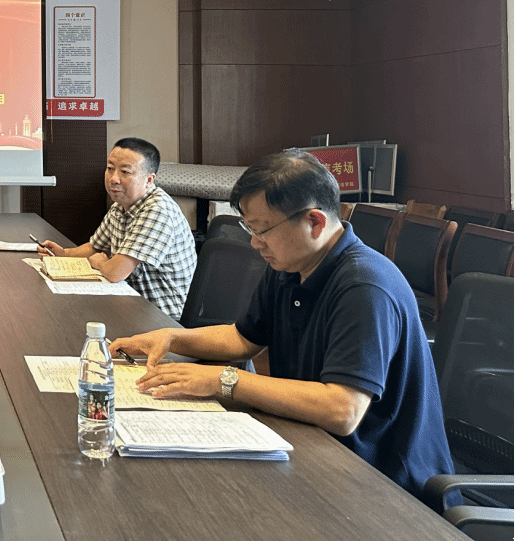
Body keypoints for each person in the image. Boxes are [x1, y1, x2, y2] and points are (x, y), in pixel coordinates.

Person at [112, 149, 452, 504]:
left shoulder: (365, 285)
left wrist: (224, 380)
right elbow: (243, 338)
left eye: (262, 230)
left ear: (315, 223)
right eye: (250, 229)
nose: (254, 242)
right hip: (314, 447)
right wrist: (171, 338)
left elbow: (342, 409)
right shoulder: (291, 264)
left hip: (385, 484)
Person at [38, 137, 196, 319]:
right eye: (110, 168)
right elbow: (94, 247)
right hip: (130, 302)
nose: (113, 179)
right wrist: (63, 254)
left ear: (149, 180)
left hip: (163, 317)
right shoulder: (120, 205)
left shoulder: (158, 210)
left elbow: (115, 273)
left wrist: (99, 263)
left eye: (125, 172)